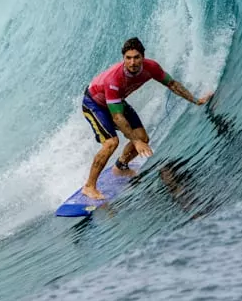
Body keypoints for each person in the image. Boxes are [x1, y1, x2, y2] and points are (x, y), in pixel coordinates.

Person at [79, 37, 212, 200]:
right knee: (111, 143)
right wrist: (135, 142)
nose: (132, 62)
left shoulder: (151, 67)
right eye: (128, 58)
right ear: (123, 58)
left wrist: (196, 100)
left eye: (136, 57)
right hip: (94, 103)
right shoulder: (114, 79)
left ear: (143, 57)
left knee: (143, 138)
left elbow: (172, 84)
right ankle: (89, 186)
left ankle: (120, 166)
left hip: (115, 102)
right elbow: (117, 117)